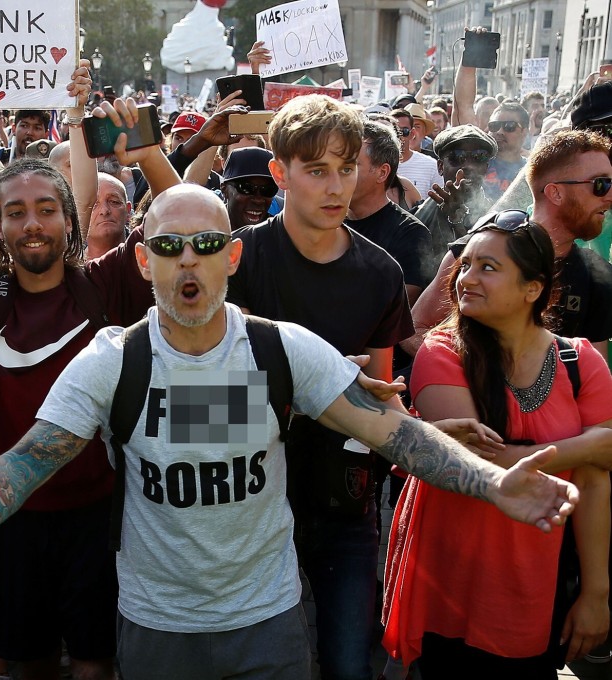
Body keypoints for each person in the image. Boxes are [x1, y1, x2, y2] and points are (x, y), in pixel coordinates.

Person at [0, 182, 581, 680]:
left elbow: (395, 435)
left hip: (267, 623)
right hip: (158, 628)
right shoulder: (113, 361)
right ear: (145, 263)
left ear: (231, 255)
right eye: (169, 247)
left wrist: (494, 482)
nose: (189, 262)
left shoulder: (283, 350)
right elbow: (28, 461)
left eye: (206, 246)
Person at [0, 91, 177, 680]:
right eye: (15, 211)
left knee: (97, 665)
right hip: (9, 518)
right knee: (27, 664)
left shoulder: (105, 285)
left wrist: (149, 156)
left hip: (100, 515)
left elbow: (179, 228)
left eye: (47, 208)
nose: (32, 223)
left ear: (70, 220)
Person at [228, 95, 412, 680]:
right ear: (280, 173)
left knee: (349, 664)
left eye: (347, 167)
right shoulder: (240, 257)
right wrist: (314, 384)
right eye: (317, 170)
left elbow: (380, 398)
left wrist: (394, 408)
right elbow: (206, 400)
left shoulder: (381, 272)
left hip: (346, 504)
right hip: (250, 501)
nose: (337, 187)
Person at [383, 216, 612, 678]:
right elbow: (471, 459)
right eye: (465, 265)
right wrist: (586, 445)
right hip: (453, 584)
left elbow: (598, 473)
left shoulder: (579, 359)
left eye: (487, 267)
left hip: (541, 582)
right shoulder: (442, 350)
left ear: (533, 288)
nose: (466, 278)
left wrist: (595, 594)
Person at [405, 130, 612, 362]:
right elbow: (415, 331)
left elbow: (595, 375)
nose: (610, 196)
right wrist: (478, 377)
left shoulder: (595, 275)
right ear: (556, 193)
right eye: (601, 184)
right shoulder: (475, 251)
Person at [345, 119, 433, 305]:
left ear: (382, 172)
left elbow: (402, 306)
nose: (337, 173)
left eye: (349, 166)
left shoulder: (410, 233)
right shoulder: (327, 223)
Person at [414, 124, 497, 265]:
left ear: (486, 168)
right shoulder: (419, 215)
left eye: (479, 157)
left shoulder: (496, 217)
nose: (468, 166)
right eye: (457, 157)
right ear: (440, 167)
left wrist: (456, 221)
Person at [219, 147, 278, 231]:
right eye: (247, 188)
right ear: (224, 189)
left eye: (268, 190)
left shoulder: (279, 235)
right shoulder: (205, 230)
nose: (258, 200)